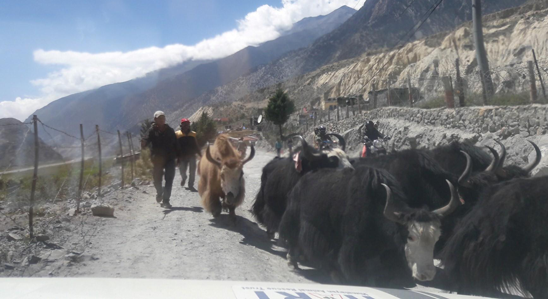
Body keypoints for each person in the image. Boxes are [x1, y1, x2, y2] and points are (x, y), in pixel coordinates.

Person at [141, 111, 179, 208]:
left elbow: (176, 144)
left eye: (163, 118)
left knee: (169, 179)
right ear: (155, 120)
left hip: (170, 158)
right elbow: (145, 139)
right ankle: (159, 191)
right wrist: (144, 143)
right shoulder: (151, 131)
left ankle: (166, 201)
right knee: (157, 179)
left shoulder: (170, 130)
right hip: (157, 159)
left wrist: (179, 157)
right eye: (159, 118)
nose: (162, 120)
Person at [175, 118, 201, 192]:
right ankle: (184, 178)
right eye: (185, 124)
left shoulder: (193, 134)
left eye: (188, 124)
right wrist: (176, 156)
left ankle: (191, 185)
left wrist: (200, 154)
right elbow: (175, 146)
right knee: (182, 170)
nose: (186, 125)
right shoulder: (177, 134)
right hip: (181, 156)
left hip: (192, 155)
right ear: (181, 125)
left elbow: (196, 145)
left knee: (192, 171)